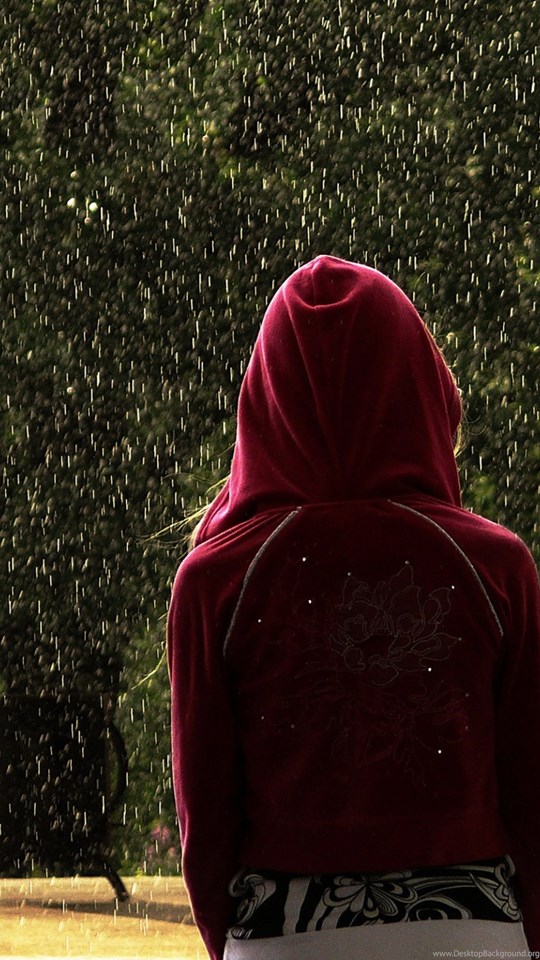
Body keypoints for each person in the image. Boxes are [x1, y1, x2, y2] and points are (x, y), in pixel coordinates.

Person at [167, 255, 540, 959]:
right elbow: (531, 793)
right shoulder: (496, 567)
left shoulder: (214, 581)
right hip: (471, 929)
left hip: (282, 932)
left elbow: (206, 822)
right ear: (418, 383)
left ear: (267, 397)